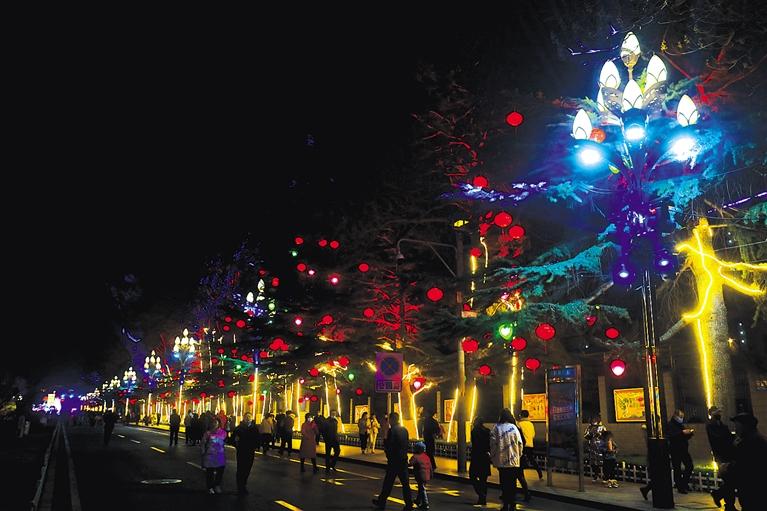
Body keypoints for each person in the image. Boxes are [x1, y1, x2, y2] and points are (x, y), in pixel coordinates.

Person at [372, 412, 413, 510]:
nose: (389, 422)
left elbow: (390, 445)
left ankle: (382, 502)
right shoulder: (404, 430)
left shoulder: (392, 430)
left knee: (388, 482)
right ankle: (409, 504)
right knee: (405, 484)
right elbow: (407, 443)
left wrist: (386, 447)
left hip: (394, 460)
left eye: (389, 420)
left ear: (392, 420)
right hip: (403, 459)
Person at [728, 412, 767, 511]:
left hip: (752, 491)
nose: (735, 429)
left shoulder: (749, 443)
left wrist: (727, 468)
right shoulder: (757, 439)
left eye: (737, 426)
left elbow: (742, 466)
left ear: (744, 427)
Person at [490, 408, 524, 511]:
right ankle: (512, 503)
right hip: (513, 461)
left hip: (502, 461)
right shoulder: (514, 428)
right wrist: (519, 455)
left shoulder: (496, 428)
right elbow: (520, 444)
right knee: (512, 483)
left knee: (504, 483)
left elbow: (493, 444)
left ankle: (505, 504)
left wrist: (493, 457)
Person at [706, 406, 736, 511]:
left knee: (730, 480)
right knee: (729, 480)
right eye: (716, 413)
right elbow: (719, 439)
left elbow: (728, 436)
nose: (719, 415)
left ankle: (722, 498)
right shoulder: (710, 426)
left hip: (729, 455)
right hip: (721, 456)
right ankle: (727, 503)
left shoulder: (722, 425)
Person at [667, 409, 694, 494]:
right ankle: (680, 486)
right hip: (675, 449)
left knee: (689, 465)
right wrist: (682, 433)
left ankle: (684, 483)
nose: (681, 418)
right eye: (680, 416)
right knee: (677, 468)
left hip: (683, 449)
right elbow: (673, 436)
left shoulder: (680, 425)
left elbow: (682, 436)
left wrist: (689, 433)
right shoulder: (671, 425)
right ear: (675, 416)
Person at [232, 413, 259, 495]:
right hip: (241, 451)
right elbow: (233, 439)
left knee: (247, 468)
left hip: (250, 451)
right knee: (241, 469)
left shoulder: (254, 428)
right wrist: (236, 444)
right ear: (243, 418)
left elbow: (258, 439)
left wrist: (255, 446)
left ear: (252, 418)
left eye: (249, 417)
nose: (248, 418)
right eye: (246, 417)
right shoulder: (239, 428)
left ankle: (244, 484)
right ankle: (240, 486)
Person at [201, 417, 227, 494]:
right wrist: (203, 452)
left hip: (220, 454)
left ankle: (217, 485)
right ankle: (210, 487)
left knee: (220, 471)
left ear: (219, 423)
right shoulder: (208, 433)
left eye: (216, 422)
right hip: (210, 455)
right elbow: (203, 443)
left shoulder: (223, 432)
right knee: (210, 472)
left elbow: (226, 441)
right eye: (213, 422)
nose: (214, 424)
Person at [469, 416, 491, 505]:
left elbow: (475, 443)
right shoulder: (487, 431)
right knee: (483, 479)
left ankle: (481, 494)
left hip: (476, 456)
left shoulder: (474, 431)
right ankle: (483, 497)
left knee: (472, 476)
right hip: (485, 456)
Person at [517, 410, 542, 479]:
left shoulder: (519, 424)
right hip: (530, 444)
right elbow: (533, 434)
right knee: (532, 459)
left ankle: (522, 476)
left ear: (521, 415)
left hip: (522, 445)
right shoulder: (531, 424)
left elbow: (518, 435)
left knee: (521, 461)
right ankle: (539, 473)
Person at [410, 442, 432, 510]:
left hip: (420, 475)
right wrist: (431, 474)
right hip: (427, 475)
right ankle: (418, 500)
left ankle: (425, 504)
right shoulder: (426, 457)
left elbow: (411, 463)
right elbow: (430, 466)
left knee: (422, 489)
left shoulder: (416, 457)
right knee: (421, 488)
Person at [584, 415, 606, 482]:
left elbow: (606, 436)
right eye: (593, 420)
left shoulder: (602, 427)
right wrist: (590, 435)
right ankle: (596, 475)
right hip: (592, 447)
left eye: (595, 420)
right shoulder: (589, 427)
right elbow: (585, 436)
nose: (594, 421)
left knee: (602, 462)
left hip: (601, 447)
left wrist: (600, 435)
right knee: (593, 463)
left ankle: (605, 476)